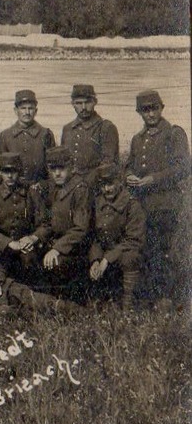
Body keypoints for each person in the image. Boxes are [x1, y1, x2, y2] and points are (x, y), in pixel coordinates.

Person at [124, 90, 189, 302]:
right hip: (142, 205)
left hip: (165, 204)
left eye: (154, 108)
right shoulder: (137, 139)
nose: (150, 114)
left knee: (164, 251)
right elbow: (128, 166)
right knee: (146, 249)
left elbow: (184, 167)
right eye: (145, 110)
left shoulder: (173, 133)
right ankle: (149, 296)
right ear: (139, 113)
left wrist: (153, 179)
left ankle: (169, 298)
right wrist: (129, 176)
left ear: (162, 108)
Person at [0, 153, 49, 285]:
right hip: (1, 249)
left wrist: (33, 238)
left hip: (27, 246)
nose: (10, 176)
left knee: (30, 263)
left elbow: (45, 223)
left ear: (19, 171)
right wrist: (9, 243)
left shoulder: (31, 193)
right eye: (6, 171)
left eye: (13, 171)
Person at [87, 164, 145, 308]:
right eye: (103, 185)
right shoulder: (97, 202)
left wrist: (106, 259)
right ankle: (102, 301)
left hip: (126, 253)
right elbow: (95, 236)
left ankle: (128, 303)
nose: (107, 189)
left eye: (111, 183)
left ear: (120, 181)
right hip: (105, 253)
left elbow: (134, 240)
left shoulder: (132, 204)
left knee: (129, 258)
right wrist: (95, 260)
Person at [39, 146, 90, 296]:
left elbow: (80, 228)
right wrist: (36, 237)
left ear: (71, 167)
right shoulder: (52, 188)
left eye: (61, 168)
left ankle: (64, 303)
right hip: (56, 242)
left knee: (56, 262)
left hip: (75, 249)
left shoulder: (80, 189)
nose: (57, 173)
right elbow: (48, 221)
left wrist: (57, 249)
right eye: (53, 169)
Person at [61, 84, 119, 179]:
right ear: (72, 104)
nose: (83, 107)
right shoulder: (67, 129)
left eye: (88, 102)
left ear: (95, 102)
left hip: (96, 184)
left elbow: (108, 163)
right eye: (79, 103)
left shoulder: (106, 127)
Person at [0, 90, 55, 186]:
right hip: (15, 188)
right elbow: (1, 168)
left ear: (36, 111)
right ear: (16, 111)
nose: (27, 112)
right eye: (23, 108)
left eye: (30, 108)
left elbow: (52, 166)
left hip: (40, 187)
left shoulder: (45, 134)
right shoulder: (6, 135)